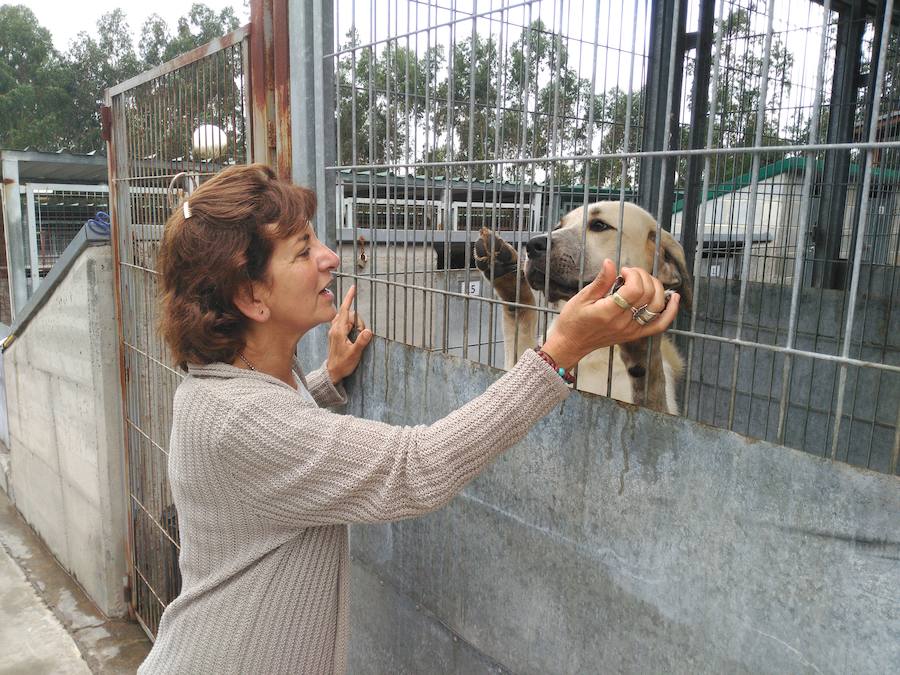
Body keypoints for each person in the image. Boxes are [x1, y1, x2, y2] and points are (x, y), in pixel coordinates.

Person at [138, 163, 679, 674]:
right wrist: (558, 352)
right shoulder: (241, 420)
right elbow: (413, 469)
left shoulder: (235, 385)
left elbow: (282, 440)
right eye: (304, 250)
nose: (330, 256)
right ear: (253, 295)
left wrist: (325, 383)